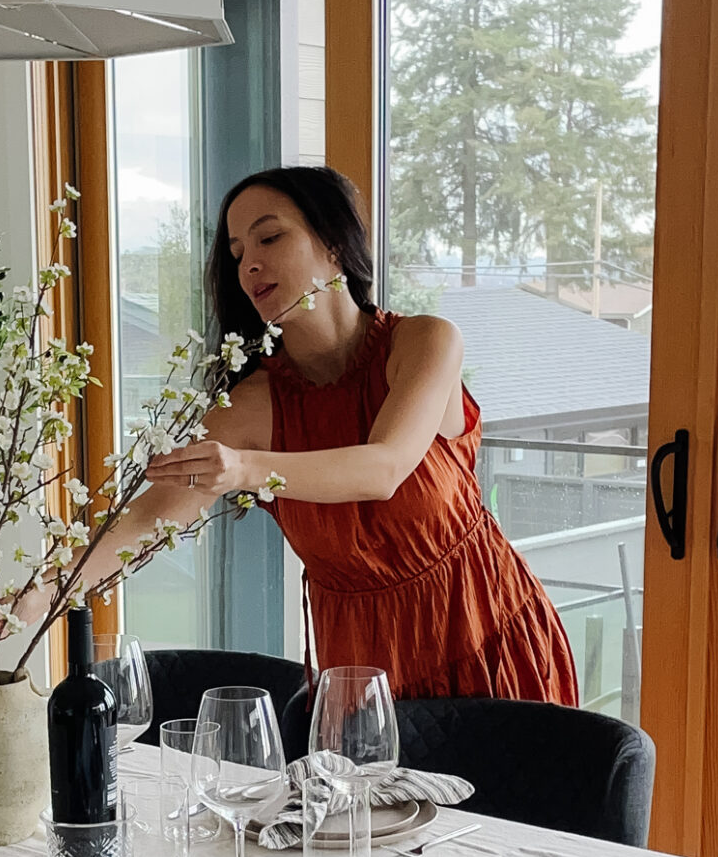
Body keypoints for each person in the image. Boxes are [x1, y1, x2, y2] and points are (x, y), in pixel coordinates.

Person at [78, 164, 577, 704]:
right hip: (364, 681)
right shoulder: (249, 409)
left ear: (335, 244)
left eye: (269, 237)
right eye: (237, 251)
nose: (249, 264)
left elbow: (383, 467)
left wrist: (244, 469)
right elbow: (147, 519)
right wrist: (32, 600)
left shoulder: (423, 343)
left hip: (492, 644)